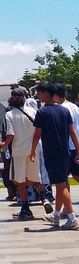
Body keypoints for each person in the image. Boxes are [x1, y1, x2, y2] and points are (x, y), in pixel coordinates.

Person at [32, 82, 79, 229]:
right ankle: (57, 215)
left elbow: (37, 135)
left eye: (40, 93)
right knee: (61, 184)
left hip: (52, 153)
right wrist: (78, 150)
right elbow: (72, 132)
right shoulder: (64, 111)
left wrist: (32, 151)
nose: (39, 96)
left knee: (61, 185)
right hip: (65, 152)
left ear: (46, 94)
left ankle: (72, 218)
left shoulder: (42, 112)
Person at [0, 89, 52, 220]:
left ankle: (25, 208)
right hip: (33, 150)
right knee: (36, 178)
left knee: (20, 181)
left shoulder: (10, 114)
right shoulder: (33, 112)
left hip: (18, 151)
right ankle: (44, 199)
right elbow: (38, 131)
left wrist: (4, 145)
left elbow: (10, 134)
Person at [53, 83, 79, 217]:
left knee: (63, 179)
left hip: (66, 146)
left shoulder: (61, 109)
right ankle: (65, 208)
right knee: (75, 175)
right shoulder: (74, 107)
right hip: (76, 145)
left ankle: (65, 209)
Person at [24, 98, 54, 203]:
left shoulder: (26, 114)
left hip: (32, 144)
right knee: (44, 169)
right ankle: (47, 194)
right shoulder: (40, 113)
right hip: (43, 143)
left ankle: (32, 194)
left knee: (33, 169)